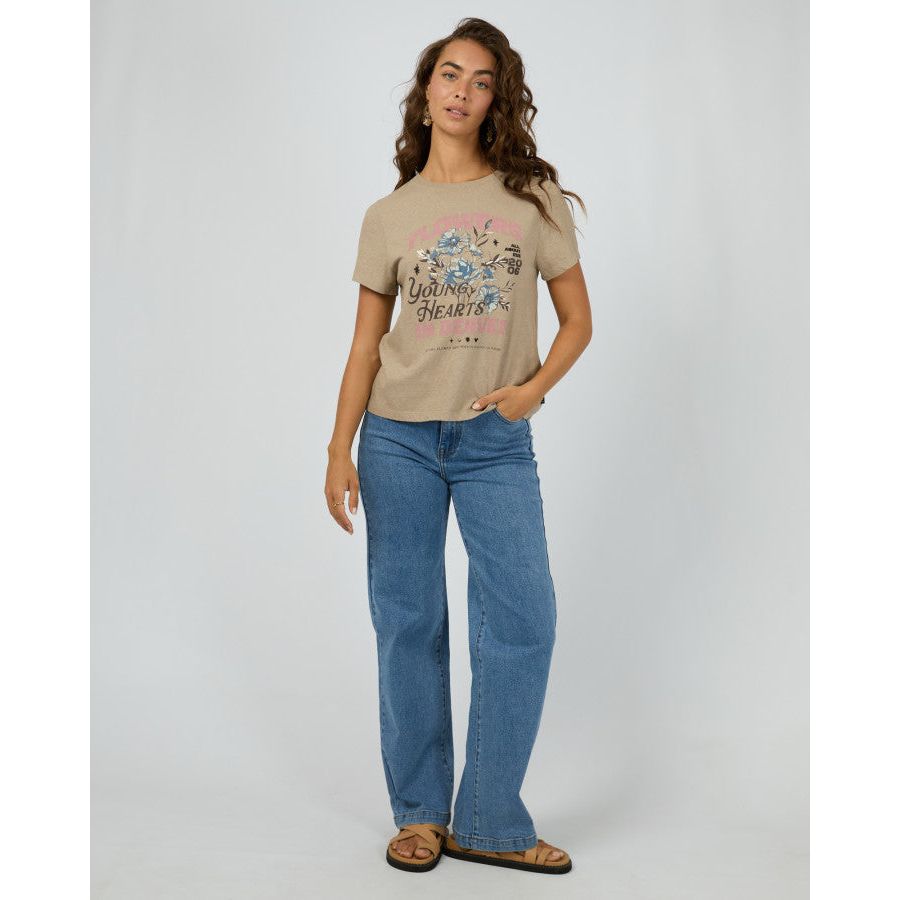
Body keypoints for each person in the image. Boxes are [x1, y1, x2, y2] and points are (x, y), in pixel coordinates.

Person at [325, 17, 591, 876]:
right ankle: (420, 814)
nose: (462, 91)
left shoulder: (532, 200)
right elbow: (365, 345)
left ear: (495, 101)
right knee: (409, 623)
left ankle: (487, 819)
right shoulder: (389, 216)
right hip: (396, 439)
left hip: (494, 441)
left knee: (525, 617)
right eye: (450, 73)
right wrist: (338, 449)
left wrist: (531, 392)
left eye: (481, 81)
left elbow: (578, 322)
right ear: (426, 90)